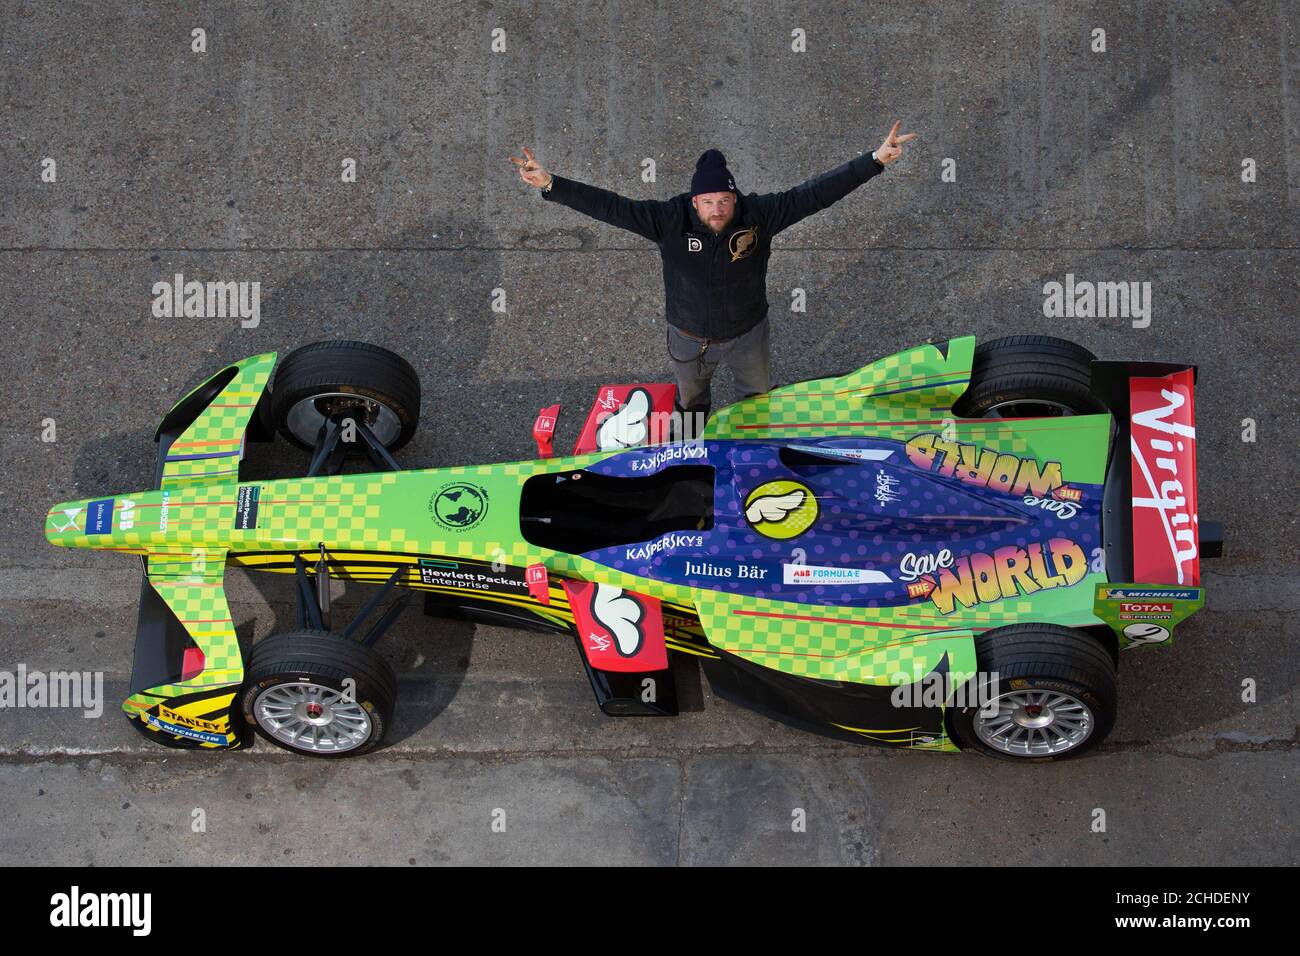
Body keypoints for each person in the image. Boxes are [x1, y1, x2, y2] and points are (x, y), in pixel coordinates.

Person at [510, 122, 916, 436]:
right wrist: (551, 184)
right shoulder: (669, 220)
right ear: (694, 202)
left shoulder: (760, 216)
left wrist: (875, 160)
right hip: (688, 338)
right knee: (691, 404)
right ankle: (691, 455)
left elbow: (814, 193)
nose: (717, 209)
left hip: (747, 335)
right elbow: (610, 206)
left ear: (735, 198)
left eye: (724, 201)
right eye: (708, 202)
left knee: (755, 403)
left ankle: (750, 454)